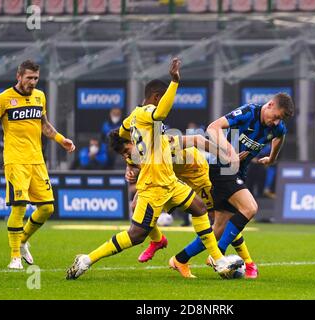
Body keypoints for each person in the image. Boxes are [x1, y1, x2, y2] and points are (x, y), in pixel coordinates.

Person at [66, 57, 241, 280]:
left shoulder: (130, 120)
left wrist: (130, 164)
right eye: (164, 98)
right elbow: (159, 114)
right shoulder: (146, 111)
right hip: (154, 185)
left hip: (170, 180)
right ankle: (87, 260)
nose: (166, 104)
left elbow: (120, 136)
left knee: (198, 208)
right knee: (136, 235)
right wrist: (175, 82)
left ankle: (218, 260)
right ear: (157, 97)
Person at [0, 60, 76, 270]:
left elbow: (44, 125)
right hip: (15, 161)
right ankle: (15, 257)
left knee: (47, 208)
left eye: (36, 78)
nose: (33, 82)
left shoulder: (40, 96)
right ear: (19, 76)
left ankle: (23, 239)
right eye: (29, 78)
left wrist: (62, 139)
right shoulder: (4, 98)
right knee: (19, 206)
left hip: (37, 160)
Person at [170, 92, 294, 277]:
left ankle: (180, 259)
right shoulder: (249, 112)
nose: (276, 122)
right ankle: (218, 255)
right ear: (269, 105)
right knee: (250, 208)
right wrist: (229, 151)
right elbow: (213, 127)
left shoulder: (276, 127)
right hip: (222, 168)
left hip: (237, 172)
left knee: (219, 228)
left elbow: (280, 136)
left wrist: (272, 158)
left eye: (280, 119)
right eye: (276, 117)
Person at [110, 130, 257, 278]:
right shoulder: (137, 152)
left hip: (201, 176)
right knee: (136, 206)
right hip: (172, 181)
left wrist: (225, 156)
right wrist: (130, 170)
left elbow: (198, 139)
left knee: (221, 220)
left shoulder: (163, 142)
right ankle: (158, 241)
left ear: (132, 141)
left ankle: (247, 262)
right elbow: (132, 163)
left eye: (125, 151)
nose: (125, 156)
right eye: (122, 154)